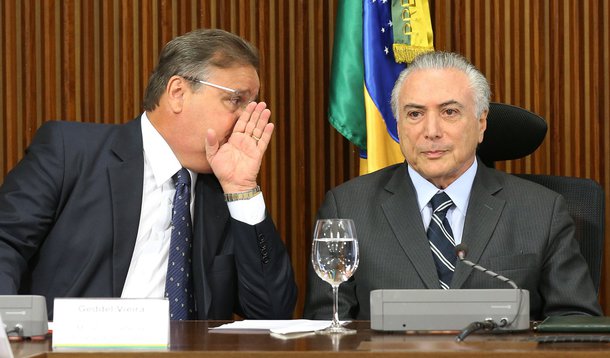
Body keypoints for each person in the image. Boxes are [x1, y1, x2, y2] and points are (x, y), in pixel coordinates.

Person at [0, 29, 297, 320]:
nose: (248, 116)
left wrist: (241, 188)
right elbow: (6, 242)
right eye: (236, 100)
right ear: (177, 93)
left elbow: (272, 311)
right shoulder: (71, 152)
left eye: (253, 103)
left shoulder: (226, 194)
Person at [303, 51, 602, 320]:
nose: (431, 132)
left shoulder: (542, 211)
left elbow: (576, 322)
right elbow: (325, 329)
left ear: (481, 122)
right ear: (398, 124)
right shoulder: (348, 208)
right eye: (415, 114)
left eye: (449, 112)